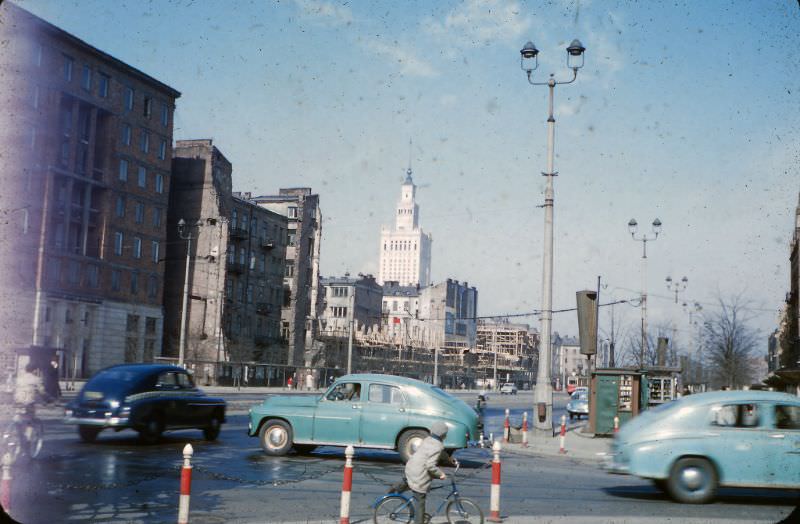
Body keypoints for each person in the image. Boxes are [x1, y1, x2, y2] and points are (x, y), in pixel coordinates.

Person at [403, 421, 449, 524]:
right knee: (420, 501)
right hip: (419, 473)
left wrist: (450, 460)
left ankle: (394, 491)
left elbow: (441, 453)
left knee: (410, 482)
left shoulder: (428, 439)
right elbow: (430, 465)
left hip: (411, 467)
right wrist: (440, 474)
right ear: (443, 435)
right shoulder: (437, 446)